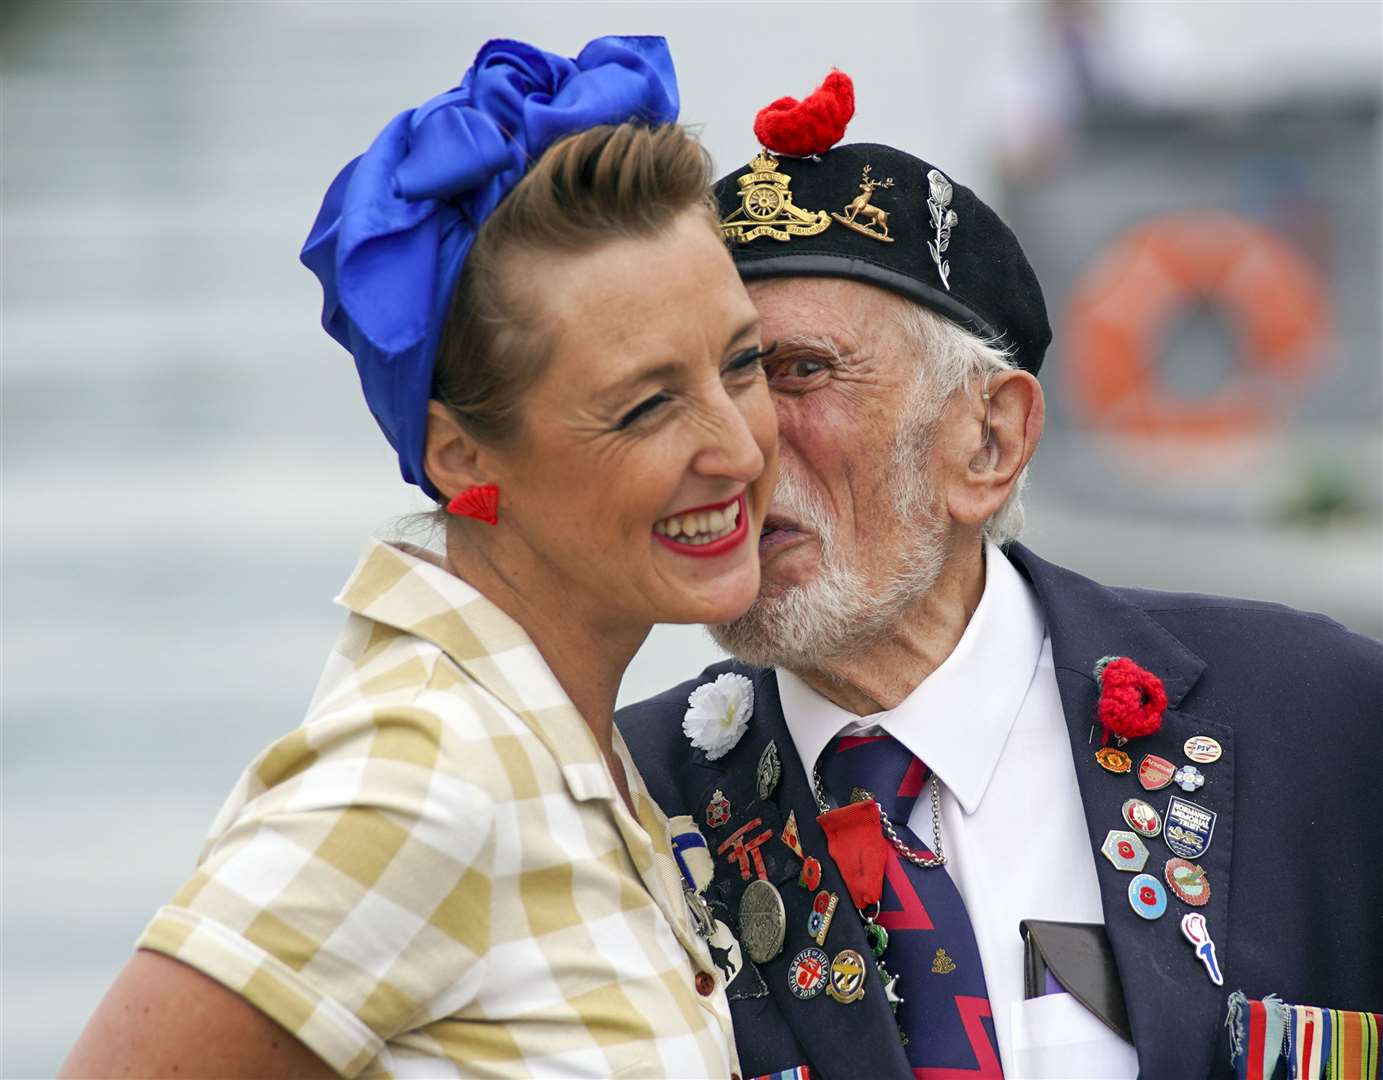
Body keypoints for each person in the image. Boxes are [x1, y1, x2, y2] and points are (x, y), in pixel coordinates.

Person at [618, 75, 1383, 1080]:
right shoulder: (618, 805)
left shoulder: (1316, 715)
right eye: (700, 390)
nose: (732, 446)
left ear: (990, 439)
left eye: (795, 373)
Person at [61, 36, 778, 1079]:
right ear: (460, 455)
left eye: (742, 362)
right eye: (646, 406)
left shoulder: (562, 749)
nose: (741, 445)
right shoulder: (421, 779)